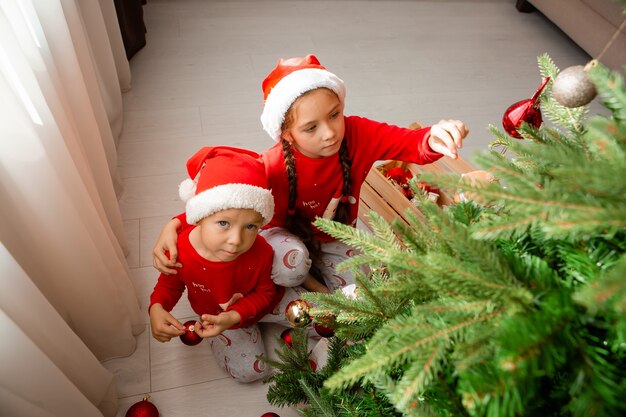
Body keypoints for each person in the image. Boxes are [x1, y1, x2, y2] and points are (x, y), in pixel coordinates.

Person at [152, 54, 469, 293]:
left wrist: (437, 135)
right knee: (291, 265)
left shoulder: (356, 134)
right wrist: (176, 224)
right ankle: (301, 287)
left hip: (336, 236)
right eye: (310, 127)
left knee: (365, 288)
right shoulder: (271, 164)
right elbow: (224, 199)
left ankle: (323, 285)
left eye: (335, 115)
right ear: (286, 134)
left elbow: (410, 143)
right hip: (285, 238)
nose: (330, 133)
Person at [148, 146, 302, 383]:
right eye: (223, 223)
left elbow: (265, 292)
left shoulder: (260, 250)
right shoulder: (181, 250)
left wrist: (237, 314)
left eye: (250, 226)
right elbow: (169, 285)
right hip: (218, 320)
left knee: (321, 316)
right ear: (199, 217)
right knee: (250, 372)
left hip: (260, 306)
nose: (236, 240)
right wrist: (157, 307)